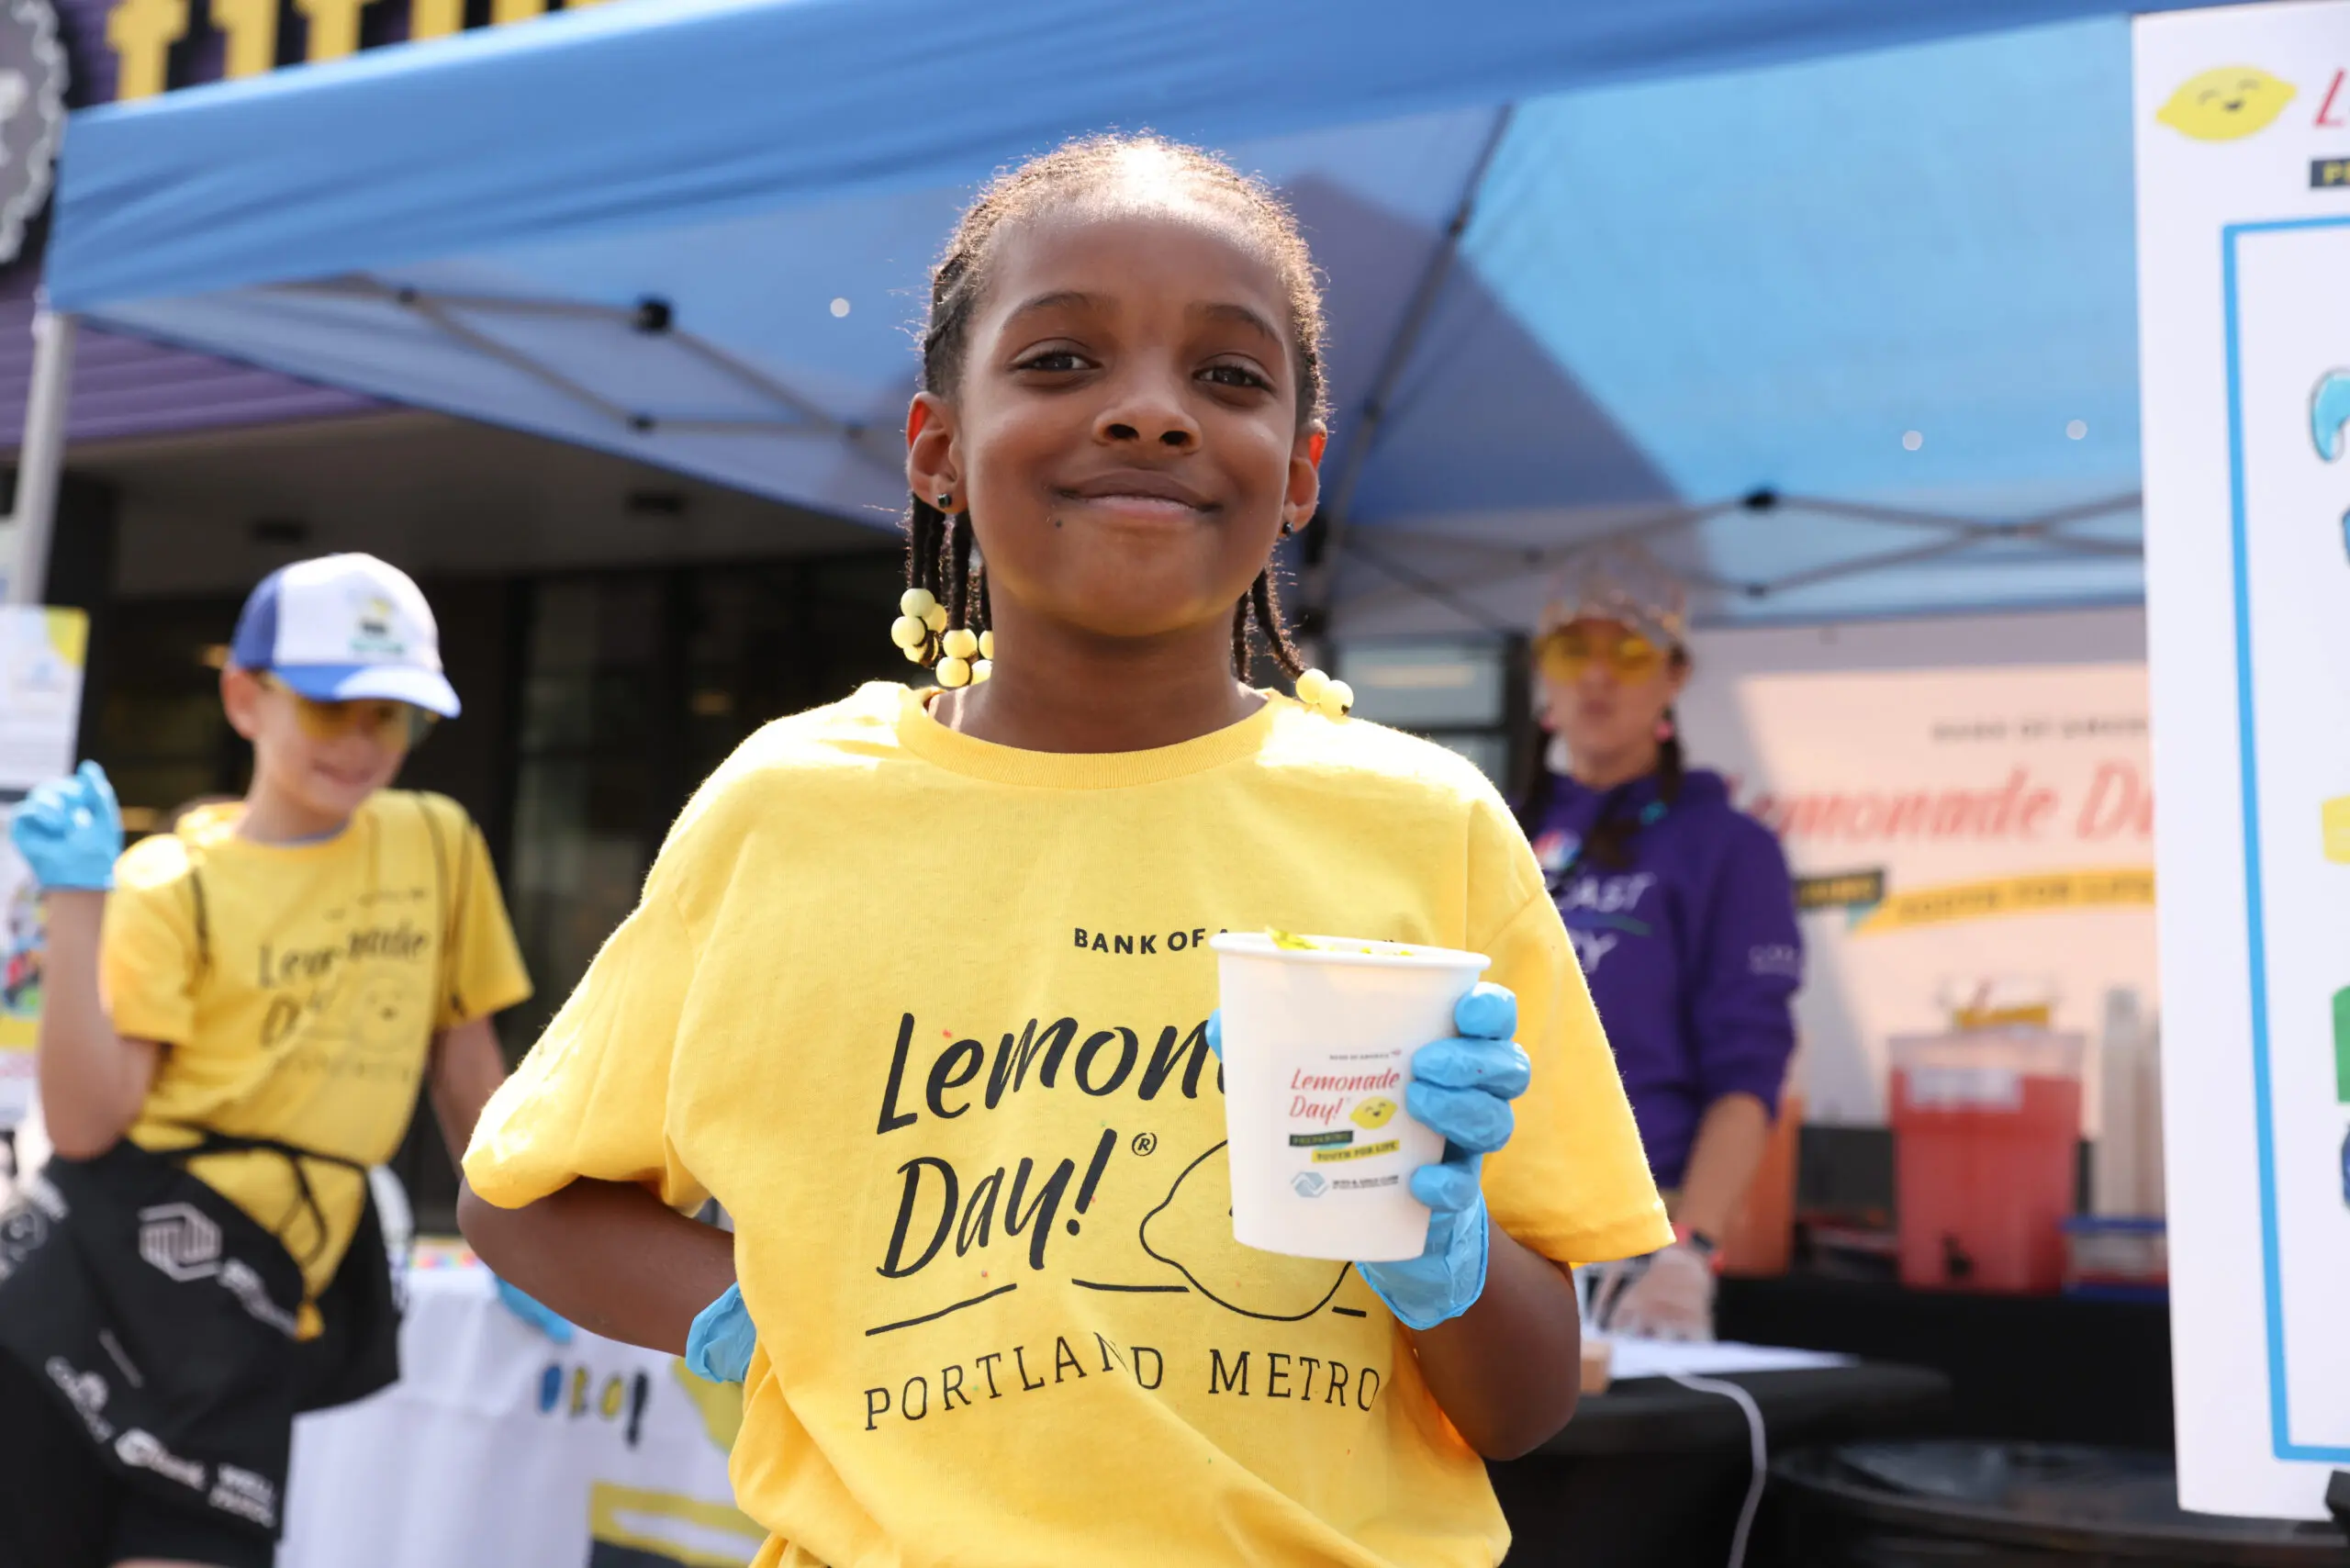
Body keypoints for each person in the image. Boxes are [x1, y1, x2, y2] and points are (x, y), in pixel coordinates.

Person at [458, 134, 1669, 1568]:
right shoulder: (788, 810)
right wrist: (771, 1303)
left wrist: (1435, 1248)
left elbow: (1527, 1408)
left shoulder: (1426, 829)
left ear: (1300, 473)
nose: (1151, 414)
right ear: (936, 449)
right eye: (1060, 362)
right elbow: (522, 1199)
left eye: (1229, 377)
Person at [0, 553, 543, 1568]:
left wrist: (536, 1232)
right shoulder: (169, 878)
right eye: (335, 708)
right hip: (91, 1272)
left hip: (247, 1304)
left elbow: (469, 1079)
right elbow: (85, 1126)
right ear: (246, 698)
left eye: (395, 715)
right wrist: (78, 902)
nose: (365, 743)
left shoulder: (437, 841)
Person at [1516, 543, 1803, 1342]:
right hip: (1489, 1237)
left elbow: (1750, 1070)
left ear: (1674, 677)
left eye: (1630, 651)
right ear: (1544, 672)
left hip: (1638, 1248)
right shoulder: (1497, 829)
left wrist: (1690, 1255)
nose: (1597, 676)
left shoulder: (1728, 846)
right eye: (1574, 650)